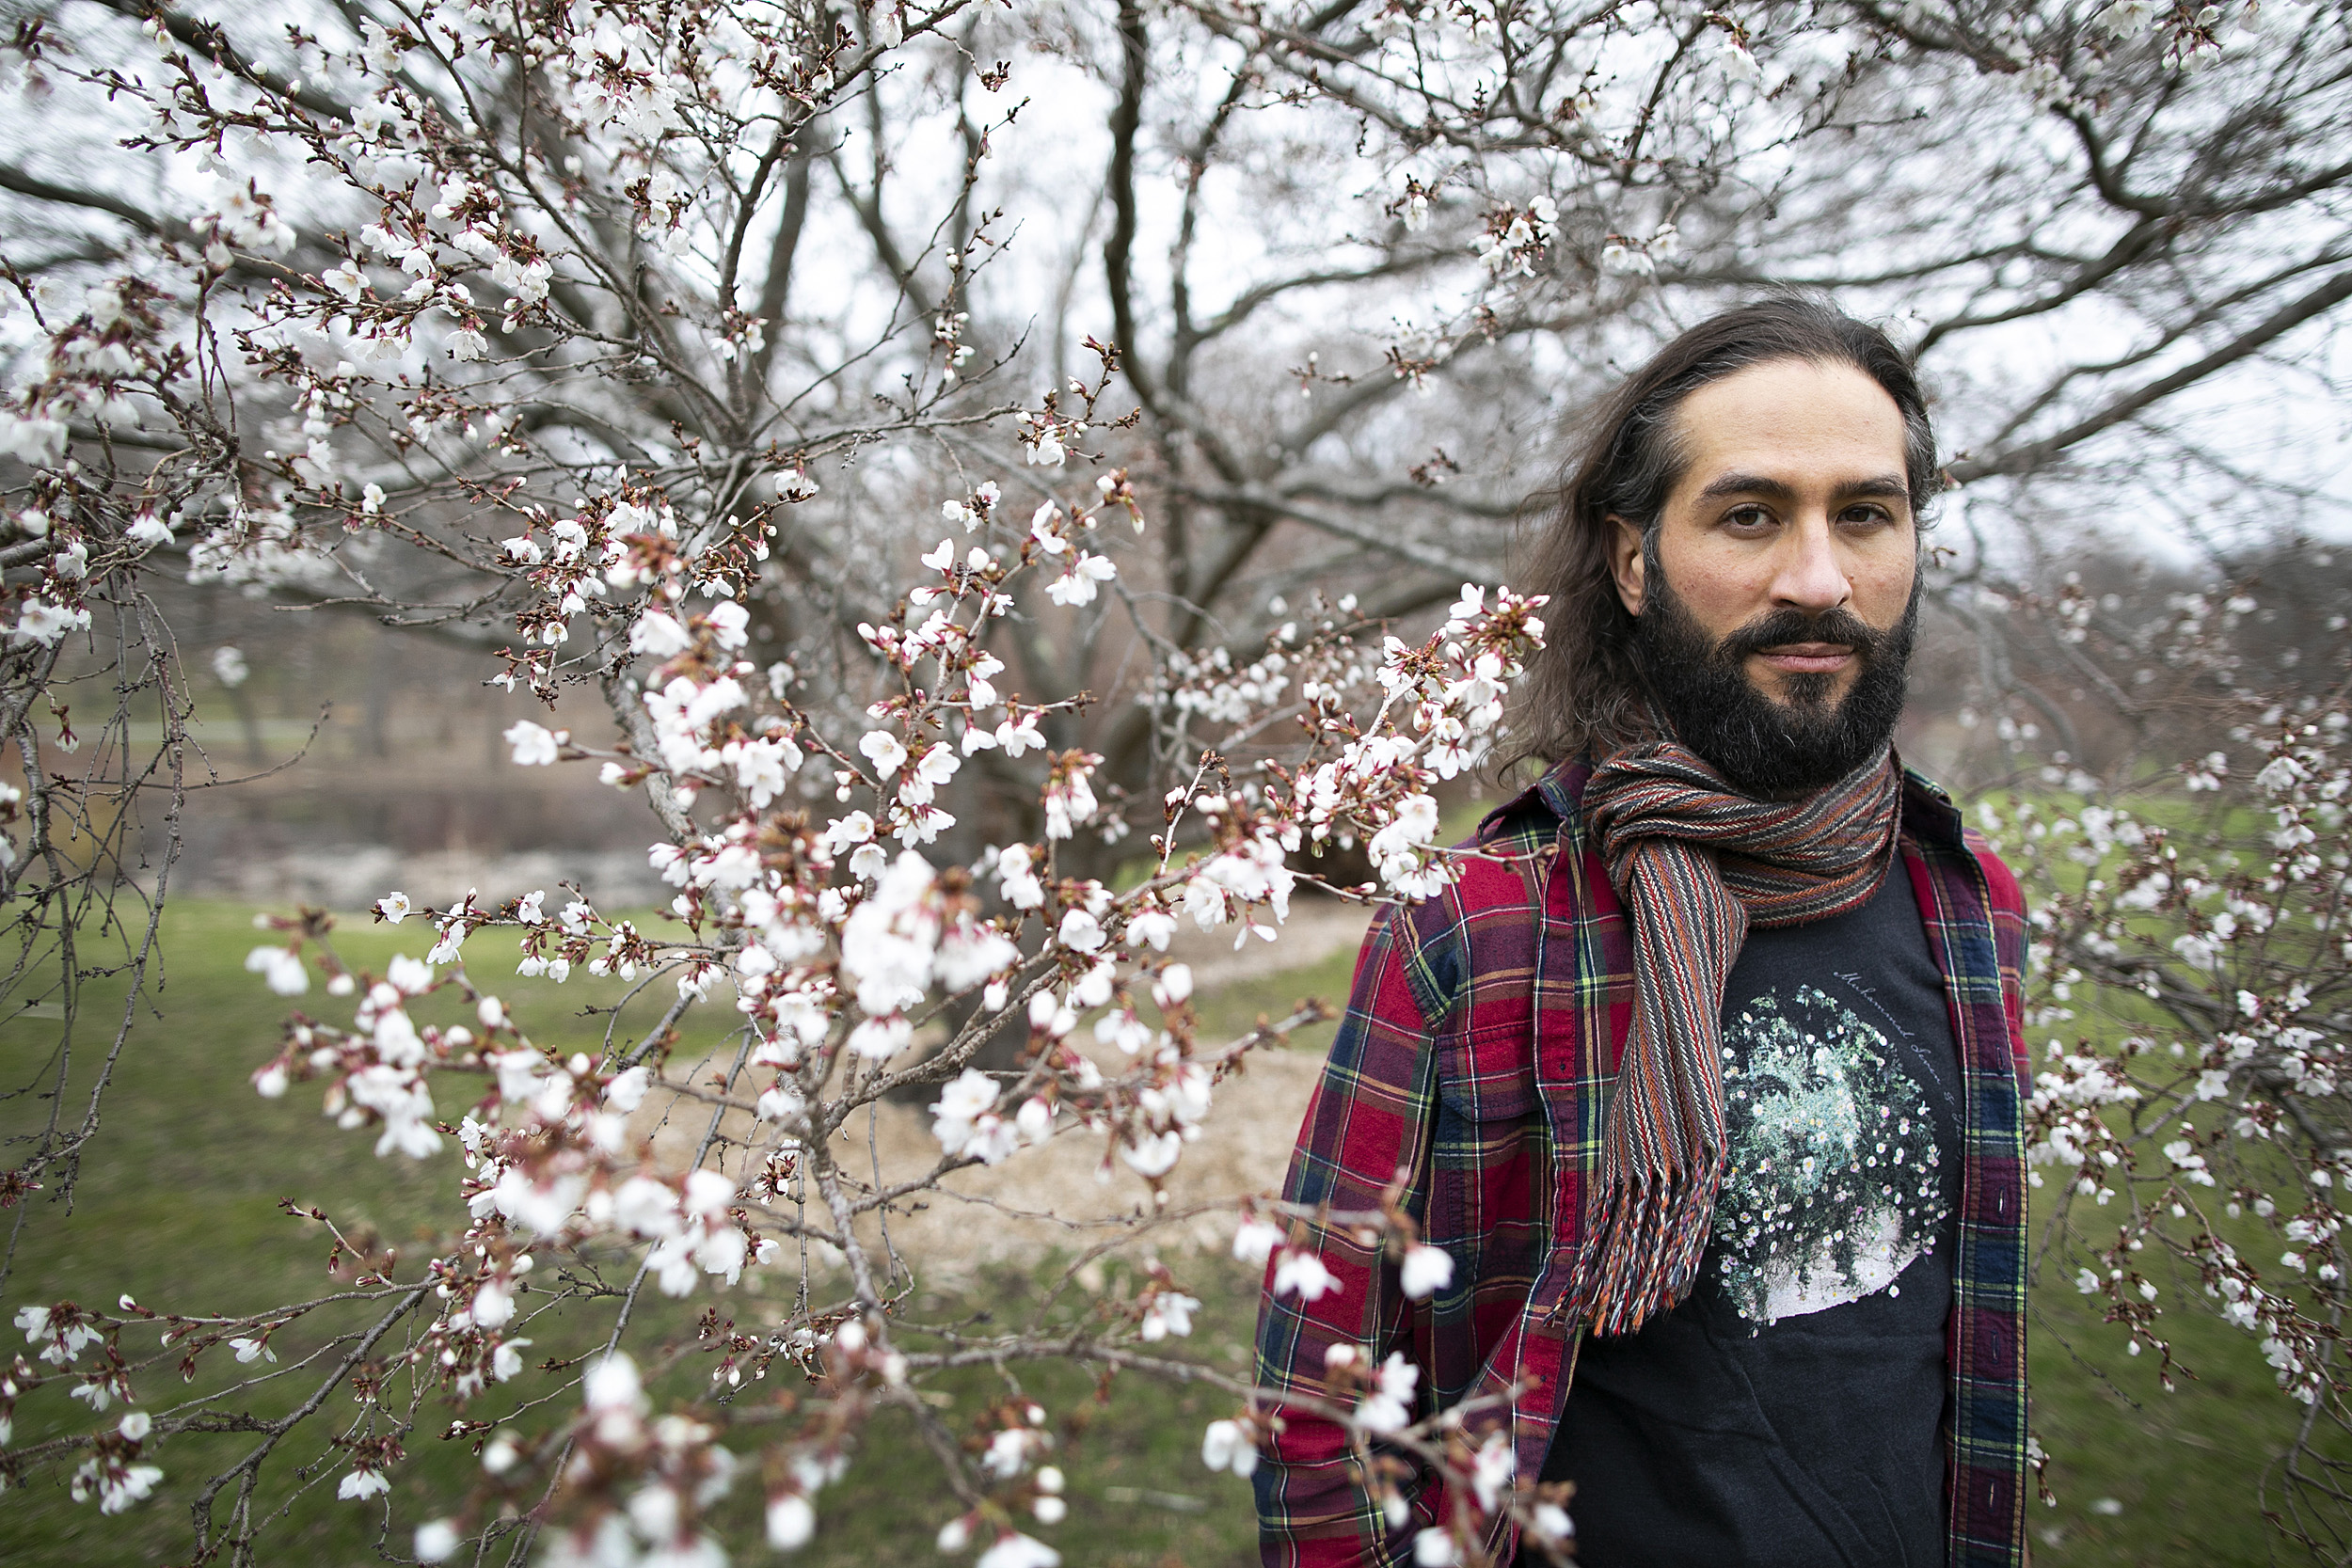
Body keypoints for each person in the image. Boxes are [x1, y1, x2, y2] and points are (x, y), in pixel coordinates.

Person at [1250, 296, 2029, 1568]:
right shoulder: (1480, 932)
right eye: (1750, 514)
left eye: (1866, 515)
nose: (1819, 579)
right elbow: (1314, 1404)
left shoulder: (1970, 908)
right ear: (1631, 560)